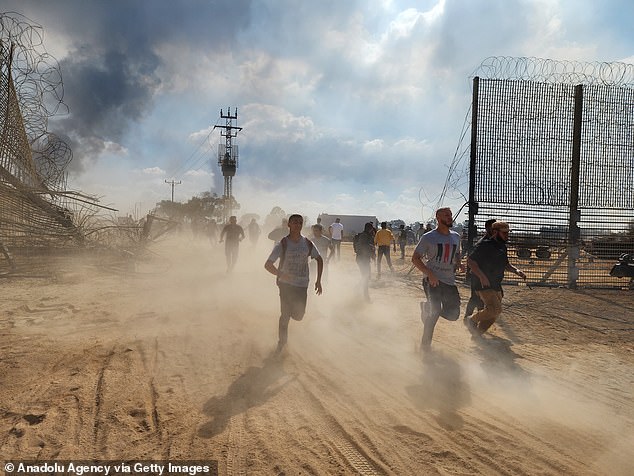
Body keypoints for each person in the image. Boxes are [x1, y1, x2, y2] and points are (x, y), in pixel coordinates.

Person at [265, 214, 323, 353]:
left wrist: (318, 281)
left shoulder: (308, 243)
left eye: (300, 222)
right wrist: (281, 275)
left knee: (299, 316)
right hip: (285, 284)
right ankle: (282, 341)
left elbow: (319, 259)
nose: (297, 224)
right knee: (285, 314)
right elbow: (268, 265)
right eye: (294, 222)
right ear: (289, 225)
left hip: (302, 284)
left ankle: (289, 312)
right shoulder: (283, 243)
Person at [411, 207, 463, 352]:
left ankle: (425, 307)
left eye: (451, 215)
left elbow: (456, 253)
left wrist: (459, 263)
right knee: (435, 311)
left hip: (449, 280)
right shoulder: (428, 237)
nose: (450, 217)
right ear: (438, 218)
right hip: (432, 280)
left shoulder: (456, 236)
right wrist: (429, 274)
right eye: (447, 215)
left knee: (454, 315)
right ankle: (425, 346)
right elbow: (415, 258)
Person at [465, 221, 526, 335]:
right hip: (483, 284)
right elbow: (470, 261)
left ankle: (478, 333)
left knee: (494, 313)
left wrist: (517, 271)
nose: (507, 236)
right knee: (495, 309)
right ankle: (471, 320)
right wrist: (482, 277)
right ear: (495, 232)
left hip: (496, 283)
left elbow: (506, 264)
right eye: (504, 233)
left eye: (507, 233)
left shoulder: (502, 246)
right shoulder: (485, 245)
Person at [464, 218, 497, 319]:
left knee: (480, 298)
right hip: (477, 275)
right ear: (488, 229)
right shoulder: (482, 243)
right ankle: (469, 318)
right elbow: (471, 260)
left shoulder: (493, 242)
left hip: (487, 275)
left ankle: (474, 318)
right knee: (476, 297)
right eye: (494, 227)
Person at [353, 222, 375, 301]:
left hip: (363, 259)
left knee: (366, 276)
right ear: (369, 228)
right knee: (366, 277)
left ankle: (357, 289)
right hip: (362, 259)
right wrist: (371, 248)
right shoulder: (364, 236)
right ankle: (366, 297)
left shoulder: (365, 235)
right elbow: (363, 246)